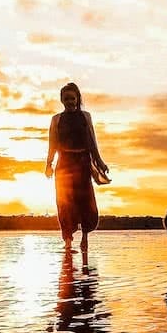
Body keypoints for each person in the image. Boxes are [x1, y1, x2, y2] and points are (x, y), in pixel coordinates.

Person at [45, 82, 109, 252]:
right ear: (62, 100)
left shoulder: (85, 117)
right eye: (66, 99)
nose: (70, 102)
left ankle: (85, 237)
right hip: (64, 165)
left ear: (77, 99)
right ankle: (67, 241)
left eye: (72, 98)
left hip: (83, 163)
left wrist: (100, 162)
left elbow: (92, 142)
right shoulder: (56, 119)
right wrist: (48, 164)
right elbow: (52, 143)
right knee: (65, 204)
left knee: (85, 202)